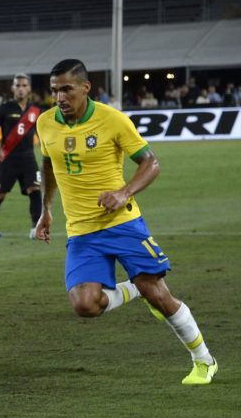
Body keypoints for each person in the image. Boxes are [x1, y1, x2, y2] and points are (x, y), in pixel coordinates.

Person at [35, 59, 218, 385]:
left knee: (159, 295)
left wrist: (123, 192)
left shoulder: (113, 120)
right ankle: (133, 289)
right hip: (81, 231)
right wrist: (45, 210)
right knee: (85, 305)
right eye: (54, 91)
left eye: (66, 89)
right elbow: (48, 165)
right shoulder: (46, 123)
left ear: (85, 88)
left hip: (122, 223)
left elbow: (151, 162)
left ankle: (204, 360)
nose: (59, 97)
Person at [0, 73, 42, 237]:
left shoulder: (35, 111)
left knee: (35, 189)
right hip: (7, 159)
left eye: (24, 86)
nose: (21, 89)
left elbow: (41, 133)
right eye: (17, 86)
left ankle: (36, 228)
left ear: (29, 88)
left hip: (28, 158)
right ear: (12, 88)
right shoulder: (5, 108)